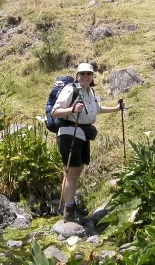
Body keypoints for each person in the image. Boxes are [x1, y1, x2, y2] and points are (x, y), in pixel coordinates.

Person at [52, 63, 123, 223]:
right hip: (70, 133)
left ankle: (71, 204)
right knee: (71, 173)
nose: (86, 77)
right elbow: (55, 112)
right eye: (82, 74)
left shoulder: (90, 91)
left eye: (88, 74)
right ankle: (68, 211)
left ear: (92, 76)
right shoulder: (71, 90)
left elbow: (96, 109)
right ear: (77, 75)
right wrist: (71, 110)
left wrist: (116, 109)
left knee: (77, 171)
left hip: (82, 134)